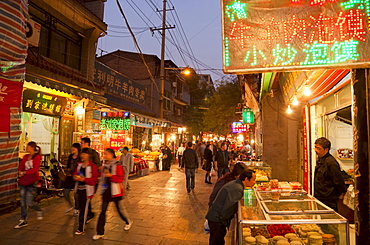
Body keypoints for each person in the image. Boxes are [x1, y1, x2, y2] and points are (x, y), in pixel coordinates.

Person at [206, 169, 256, 245]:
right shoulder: (237, 188)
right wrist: (223, 223)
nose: (254, 182)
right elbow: (228, 208)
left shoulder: (237, 184)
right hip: (217, 219)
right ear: (246, 179)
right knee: (217, 242)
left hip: (217, 217)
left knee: (217, 241)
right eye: (253, 180)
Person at [93, 149, 132, 240]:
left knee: (119, 210)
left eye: (106, 154)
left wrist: (110, 176)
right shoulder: (104, 164)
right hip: (106, 191)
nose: (105, 156)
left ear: (111, 155)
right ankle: (100, 232)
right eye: (104, 154)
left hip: (116, 191)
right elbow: (100, 176)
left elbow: (120, 179)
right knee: (103, 211)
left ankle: (127, 221)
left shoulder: (117, 165)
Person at [15, 142, 43, 228]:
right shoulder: (25, 157)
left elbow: (35, 169)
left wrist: (25, 172)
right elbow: (21, 166)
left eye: (28, 146)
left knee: (29, 201)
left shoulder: (37, 157)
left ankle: (39, 209)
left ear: (32, 147)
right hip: (23, 180)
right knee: (22, 201)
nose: (26, 148)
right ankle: (23, 219)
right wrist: (20, 172)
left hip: (32, 180)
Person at [314, 137, 346, 212]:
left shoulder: (331, 163)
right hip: (319, 197)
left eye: (319, 148)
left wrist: (338, 194)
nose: (316, 150)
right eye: (315, 147)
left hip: (329, 199)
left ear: (326, 150)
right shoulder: (320, 159)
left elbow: (338, 181)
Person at [73, 148, 98, 235]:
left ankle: (81, 227)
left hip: (87, 190)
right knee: (81, 207)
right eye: (82, 154)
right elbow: (75, 174)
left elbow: (94, 180)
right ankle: (90, 215)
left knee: (83, 209)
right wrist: (75, 177)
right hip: (79, 189)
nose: (82, 156)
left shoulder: (92, 166)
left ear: (89, 156)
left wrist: (84, 179)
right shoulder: (79, 165)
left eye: (84, 154)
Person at [62, 143, 80, 214]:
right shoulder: (70, 156)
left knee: (76, 194)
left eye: (74, 148)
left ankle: (76, 207)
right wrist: (68, 171)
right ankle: (71, 205)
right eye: (72, 147)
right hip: (69, 176)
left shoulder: (80, 157)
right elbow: (68, 166)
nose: (72, 149)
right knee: (65, 192)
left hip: (76, 177)